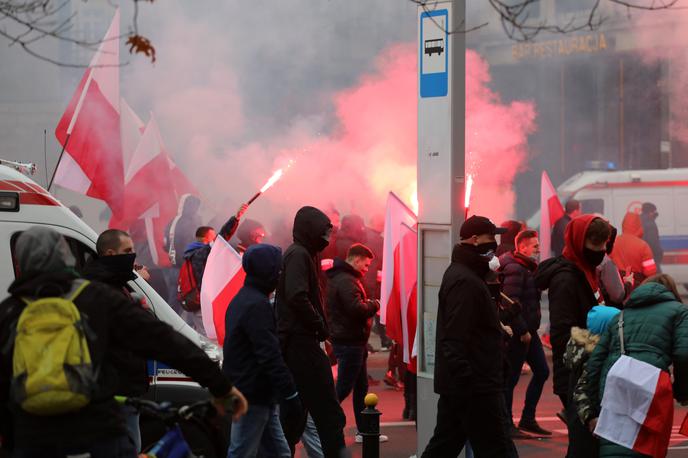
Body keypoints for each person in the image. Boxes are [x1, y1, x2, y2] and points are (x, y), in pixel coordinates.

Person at [0, 226, 247, 457]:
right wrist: (220, 386)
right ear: (64, 256)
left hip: (32, 436)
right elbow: (163, 340)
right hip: (99, 430)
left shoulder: (9, 312)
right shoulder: (96, 298)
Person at [422, 215, 517, 457]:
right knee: (498, 449)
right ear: (475, 240)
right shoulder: (465, 280)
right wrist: (469, 379)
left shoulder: (467, 275)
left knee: (444, 445)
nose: (494, 243)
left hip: (467, 383)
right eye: (490, 237)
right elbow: (454, 337)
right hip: (475, 385)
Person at [579, 274, 688, 457]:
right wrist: (682, 392)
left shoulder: (619, 317)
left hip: (615, 388)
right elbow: (684, 354)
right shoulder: (678, 311)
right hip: (652, 390)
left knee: (615, 449)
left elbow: (595, 363)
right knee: (648, 448)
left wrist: (592, 411)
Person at [275, 206, 347, 457]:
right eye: (324, 232)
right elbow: (297, 296)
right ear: (310, 230)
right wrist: (319, 326)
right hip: (301, 343)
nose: (327, 239)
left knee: (297, 413)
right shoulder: (299, 255)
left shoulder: (304, 253)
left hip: (299, 342)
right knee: (327, 412)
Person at [224, 244, 301, 457]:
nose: (280, 275)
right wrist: (290, 392)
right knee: (242, 452)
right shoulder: (257, 305)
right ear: (268, 272)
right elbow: (269, 354)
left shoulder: (242, 299)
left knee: (279, 453)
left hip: (254, 391)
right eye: (278, 270)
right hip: (253, 393)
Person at [80, 229, 152, 452]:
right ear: (111, 254)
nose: (133, 256)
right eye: (128, 251)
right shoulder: (103, 288)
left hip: (121, 388)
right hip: (117, 390)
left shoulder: (114, 282)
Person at [535, 215, 611, 413]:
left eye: (604, 243)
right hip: (576, 374)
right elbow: (562, 335)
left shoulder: (588, 269)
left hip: (590, 368)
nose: (601, 250)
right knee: (585, 441)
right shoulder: (566, 280)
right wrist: (602, 345)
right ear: (579, 241)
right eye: (596, 243)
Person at [325, 243, 386, 443]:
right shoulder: (346, 281)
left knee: (360, 388)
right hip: (350, 342)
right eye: (366, 265)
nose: (367, 269)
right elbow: (356, 309)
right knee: (344, 387)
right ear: (356, 259)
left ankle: (364, 431)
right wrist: (374, 304)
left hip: (352, 341)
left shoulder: (343, 279)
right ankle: (320, 423)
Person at [499, 230, 551, 436]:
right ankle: (506, 425)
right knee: (510, 379)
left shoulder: (525, 267)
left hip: (528, 331)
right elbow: (511, 302)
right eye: (535, 247)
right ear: (522, 247)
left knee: (542, 371)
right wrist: (521, 330)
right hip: (520, 333)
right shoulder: (515, 268)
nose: (538, 250)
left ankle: (527, 419)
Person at [564, 305, 620, 458]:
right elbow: (583, 389)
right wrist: (591, 417)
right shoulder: (596, 357)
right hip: (589, 422)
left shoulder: (580, 351)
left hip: (579, 421)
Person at [163, 194, 203, 312]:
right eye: (194, 207)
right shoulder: (189, 224)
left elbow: (165, 244)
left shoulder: (173, 221)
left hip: (173, 267)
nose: (195, 210)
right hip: (183, 269)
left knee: (174, 305)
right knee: (182, 307)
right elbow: (191, 245)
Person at [610, 212, 657, 286]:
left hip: (617, 288)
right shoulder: (643, 246)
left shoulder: (613, 242)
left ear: (623, 225)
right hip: (638, 289)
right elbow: (651, 273)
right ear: (639, 226)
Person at [640, 202, 663, 271]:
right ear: (650, 212)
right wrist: (659, 254)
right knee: (656, 277)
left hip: (642, 256)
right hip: (651, 257)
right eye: (654, 211)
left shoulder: (639, 220)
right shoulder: (650, 224)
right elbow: (653, 242)